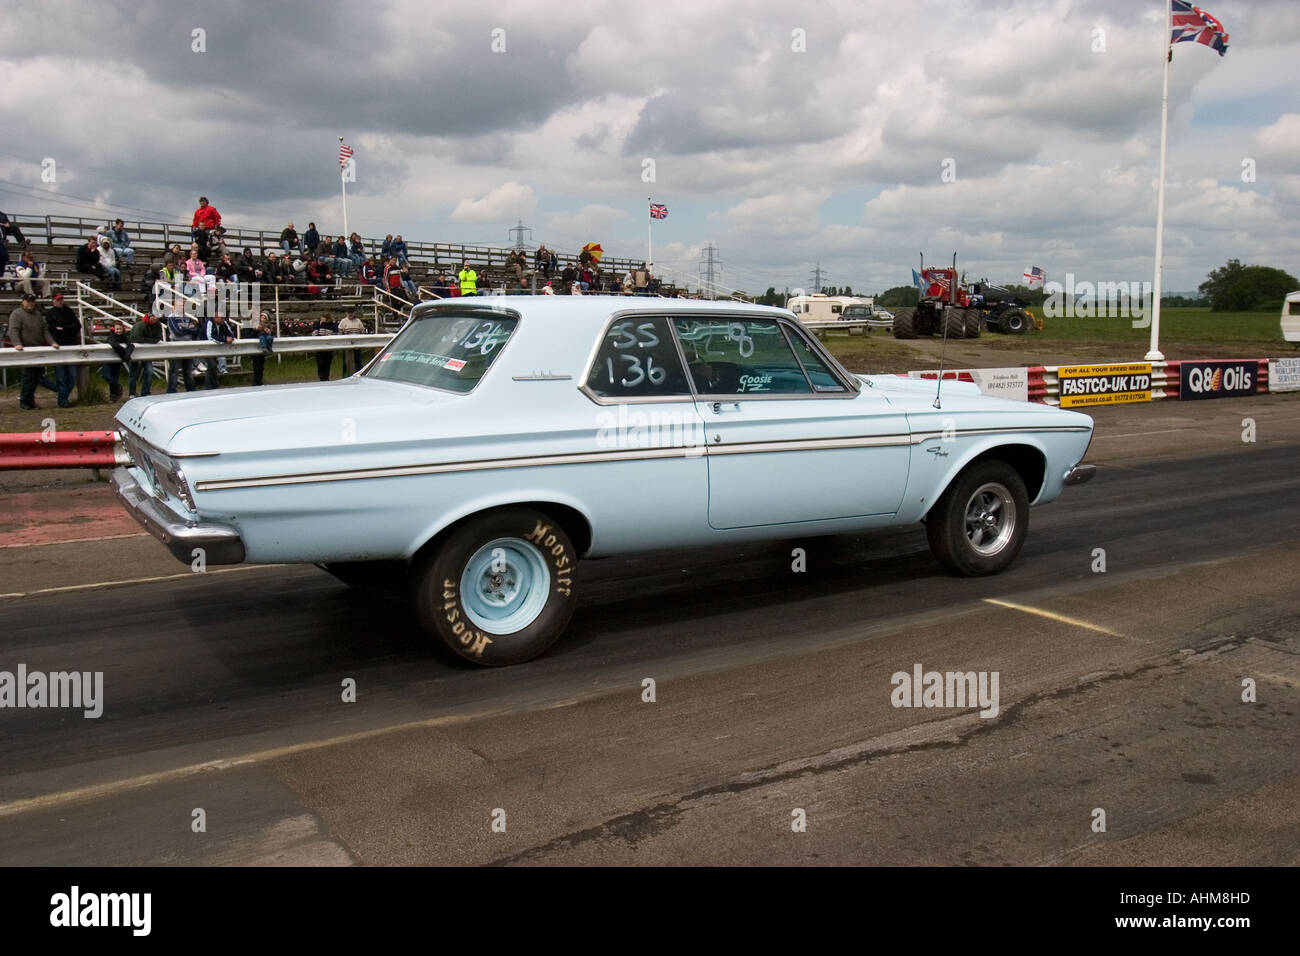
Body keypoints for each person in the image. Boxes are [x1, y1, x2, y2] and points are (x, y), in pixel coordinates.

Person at [8, 294, 59, 409]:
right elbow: (13, 330)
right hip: (25, 349)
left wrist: (52, 342)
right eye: (28, 301)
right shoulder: (17, 314)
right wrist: (17, 344)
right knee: (28, 377)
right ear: (23, 302)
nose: (30, 303)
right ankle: (25, 401)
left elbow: (44, 330)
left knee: (36, 377)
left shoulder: (37, 314)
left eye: (32, 301)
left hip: (37, 348)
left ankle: (29, 400)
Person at [44, 293, 81, 407]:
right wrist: (67, 329)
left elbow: (77, 325)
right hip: (59, 347)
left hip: (70, 346)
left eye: (61, 300)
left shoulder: (68, 311)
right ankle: (62, 400)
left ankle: (63, 397)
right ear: (53, 301)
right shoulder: (50, 313)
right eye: (58, 300)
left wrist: (63, 329)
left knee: (72, 375)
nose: (60, 302)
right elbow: (54, 330)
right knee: (61, 376)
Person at [128, 312, 162, 397]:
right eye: (154, 317)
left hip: (146, 352)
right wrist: (151, 340)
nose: (156, 319)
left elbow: (157, 339)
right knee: (133, 372)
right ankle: (132, 393)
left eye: (157, 317)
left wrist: (147, 340)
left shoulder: (158, 325)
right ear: (150, 317)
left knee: (149, 371)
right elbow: (137, 338)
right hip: (134, 351)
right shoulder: (141, 325)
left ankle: (145, 392)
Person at [166, 309, 199, 393]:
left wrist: (182, 328)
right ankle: (171, 390)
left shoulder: (187, 317)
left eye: (182, 306)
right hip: (176, 345)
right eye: (179, 306)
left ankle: (191, 389)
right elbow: (177, 331)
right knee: (174, 369)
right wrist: (187, 328)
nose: (181, 307)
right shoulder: (171, 318)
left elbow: (195, 330)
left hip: (188, 344)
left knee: (188, 369)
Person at [203, 312, 235, 388]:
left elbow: (230, 333)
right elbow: (210, 337)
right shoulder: (209, 322)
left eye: (224, 318)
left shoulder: (224, 323)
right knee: (212, 366)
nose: (223, 320)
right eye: (221, 318)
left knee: (212, 367)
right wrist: (224, 340)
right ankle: (211, 386)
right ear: (215, 318)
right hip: (205, 347)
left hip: (216, 347)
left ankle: (211, 386)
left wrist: (230, 338)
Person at [337, 310, 366, 375]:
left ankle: (359, 373)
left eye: (351, 313)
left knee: (358, 360)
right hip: (346, 343)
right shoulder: (343, 321)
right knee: (346, 360)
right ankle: (345, 374)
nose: (350, 314)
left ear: (354, 313)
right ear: (346, 313)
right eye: (349, 313)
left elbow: (362, 331)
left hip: (357, 343)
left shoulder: (358, 321)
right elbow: (340, 331)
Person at [250, 310, 274, 386]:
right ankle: (256, 382)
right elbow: (248, 335)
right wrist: (257, 330)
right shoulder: (251, 323)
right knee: (257, 365)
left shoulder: (263, 323)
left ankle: (259, 381)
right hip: (253, 345)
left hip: (262, 344)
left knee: (261, 364)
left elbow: (272, 331)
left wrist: (267, 331)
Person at [312, 313, 338, 381]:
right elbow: (314, 334)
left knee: (327, 363)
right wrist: (321, 325)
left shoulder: (332, 324)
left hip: (328, 347)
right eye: (322, 317)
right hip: (319, 347)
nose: (322, 318)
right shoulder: (317, 324)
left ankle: (326, 377)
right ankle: (321, 377)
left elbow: (335, 333)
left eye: (324, 317)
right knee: (320, 363)